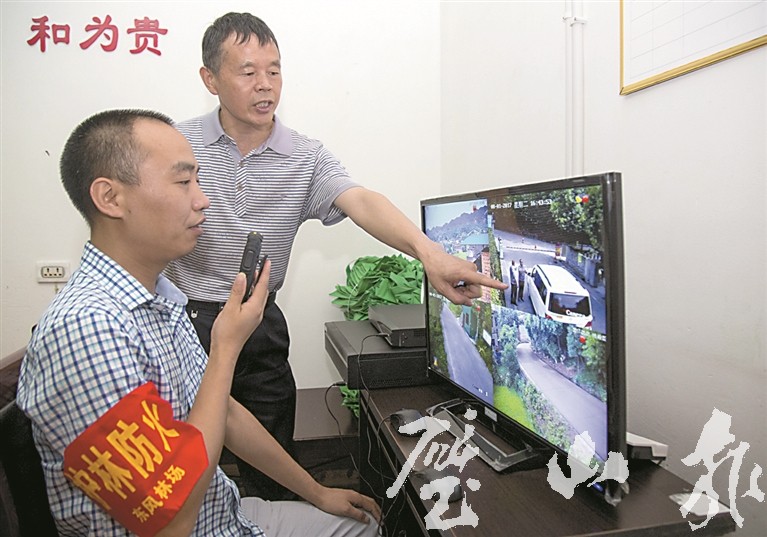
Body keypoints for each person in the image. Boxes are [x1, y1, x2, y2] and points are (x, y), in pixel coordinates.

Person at [165, 12, 508, 499]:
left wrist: (428, 253)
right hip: (183, 321)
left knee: (273, 465)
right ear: (210, 79)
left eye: (274, 70)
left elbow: (360, 199)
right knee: (183, 471)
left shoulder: (305, 155)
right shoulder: (177, 144)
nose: (265, 85)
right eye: (248, 72)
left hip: (259, 325)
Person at [17, 109, 381, 537]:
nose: (202, 199)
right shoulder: (88, 331)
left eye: (198, 180)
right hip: (193, 524)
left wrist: (317, 492)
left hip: (224, 514)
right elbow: (172, 523)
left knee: (363, 524)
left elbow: (224, 411)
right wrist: (225, 348)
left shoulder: (159, 297)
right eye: (183, 182)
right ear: (110, 198)